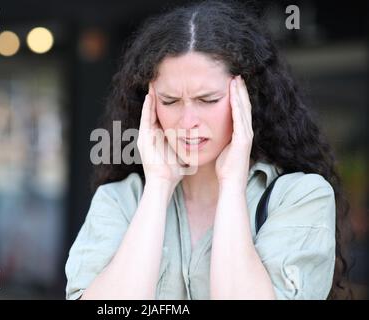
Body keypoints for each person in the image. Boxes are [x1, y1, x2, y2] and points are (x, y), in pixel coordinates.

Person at [65, 0, 350, 299]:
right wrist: (159, 186)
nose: (188, 122)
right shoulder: (122, 200)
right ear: (150, 106)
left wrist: (231, 185)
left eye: (208, 100)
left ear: (247, 96)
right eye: (170, 101)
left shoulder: (299, 197)